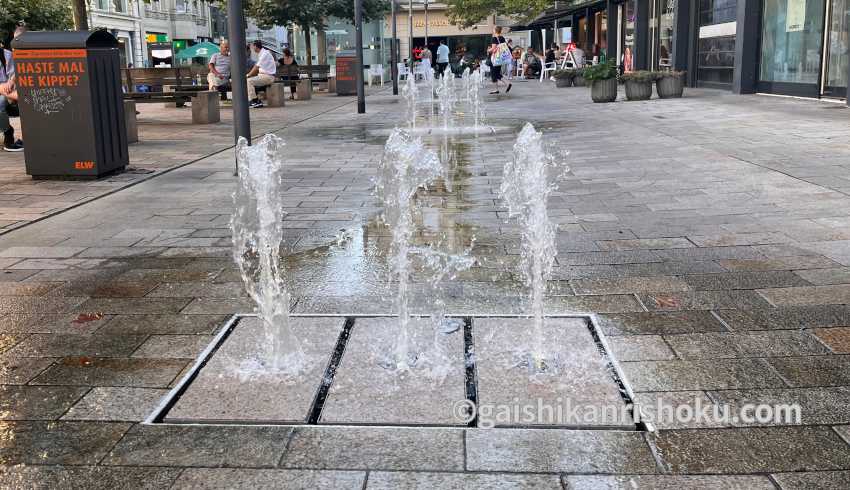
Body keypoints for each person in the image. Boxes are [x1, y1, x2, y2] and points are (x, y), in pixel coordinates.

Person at [0, 25, 25, 152]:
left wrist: (8, 83)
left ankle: (8, 133)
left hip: (9, 94)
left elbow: (15, 77)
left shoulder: (7, 55)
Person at [245, 40, 276, 108]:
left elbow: (256, 67)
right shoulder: (262, 53)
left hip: (268, 77)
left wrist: (248, 75)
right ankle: (257, 101)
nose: (252, 49)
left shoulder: (264, 54)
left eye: (253, 47)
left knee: (249, 81)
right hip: (265, 76)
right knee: (250, 80)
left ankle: (253, 101)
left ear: (256, 46)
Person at [487, 26, 511, 95]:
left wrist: (488, 50)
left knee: (494, 73)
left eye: (493, 29)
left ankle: (507, 83)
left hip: (495, 58)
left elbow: (493, 49)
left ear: (495, 30)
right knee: (497, 73)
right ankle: (497, 89)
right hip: (501, 58)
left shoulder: (494, 38)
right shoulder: (502, 38)